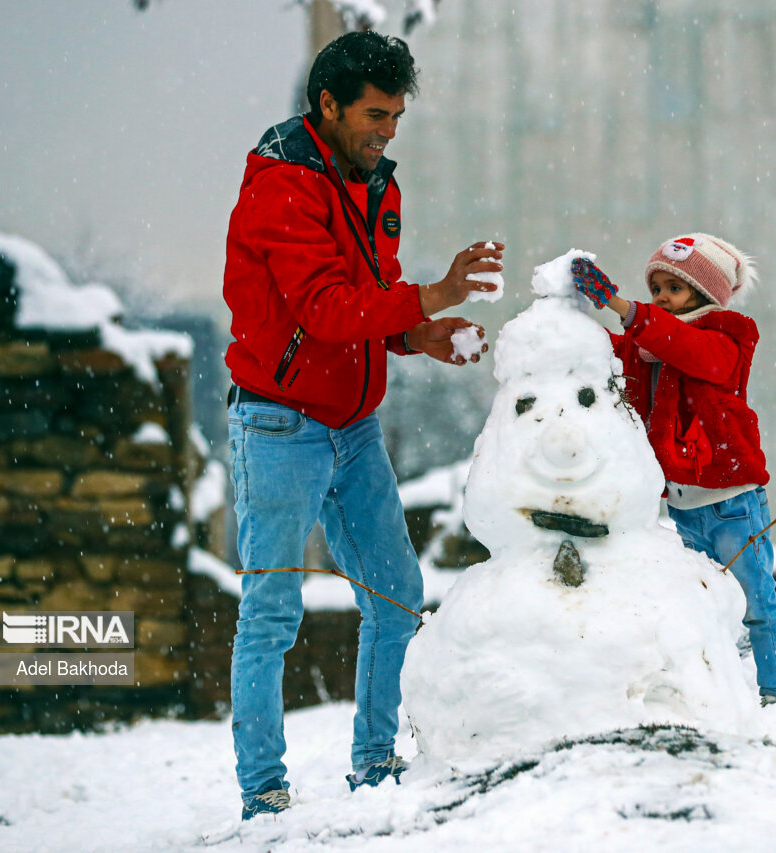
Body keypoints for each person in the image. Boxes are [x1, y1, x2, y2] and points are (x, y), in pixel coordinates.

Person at [223, 30, 503, 820]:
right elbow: (322, 310)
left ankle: (376, 768)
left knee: (396, 594)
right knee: (273, 610)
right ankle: (263, 794)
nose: (387, 131)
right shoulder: (279, 189)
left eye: (397, 118)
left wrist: (418, 334)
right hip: (279, 426)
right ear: (329, 105)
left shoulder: (378, 184)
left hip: (353, 427)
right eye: (375, 115)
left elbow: (365, 308)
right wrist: (435, 295)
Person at [571, 234, 776, 725]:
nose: (660, 298)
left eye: (673, 287)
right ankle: (722, 697)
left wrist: (621, 305)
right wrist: (567, 326)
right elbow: (615, 356)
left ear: (704, 292)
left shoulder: (726, 337)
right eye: (655, 288)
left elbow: (689, 351)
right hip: (681, 505)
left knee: (757, 605)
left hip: (732, 501)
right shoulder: (648, 342)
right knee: (705, 610)